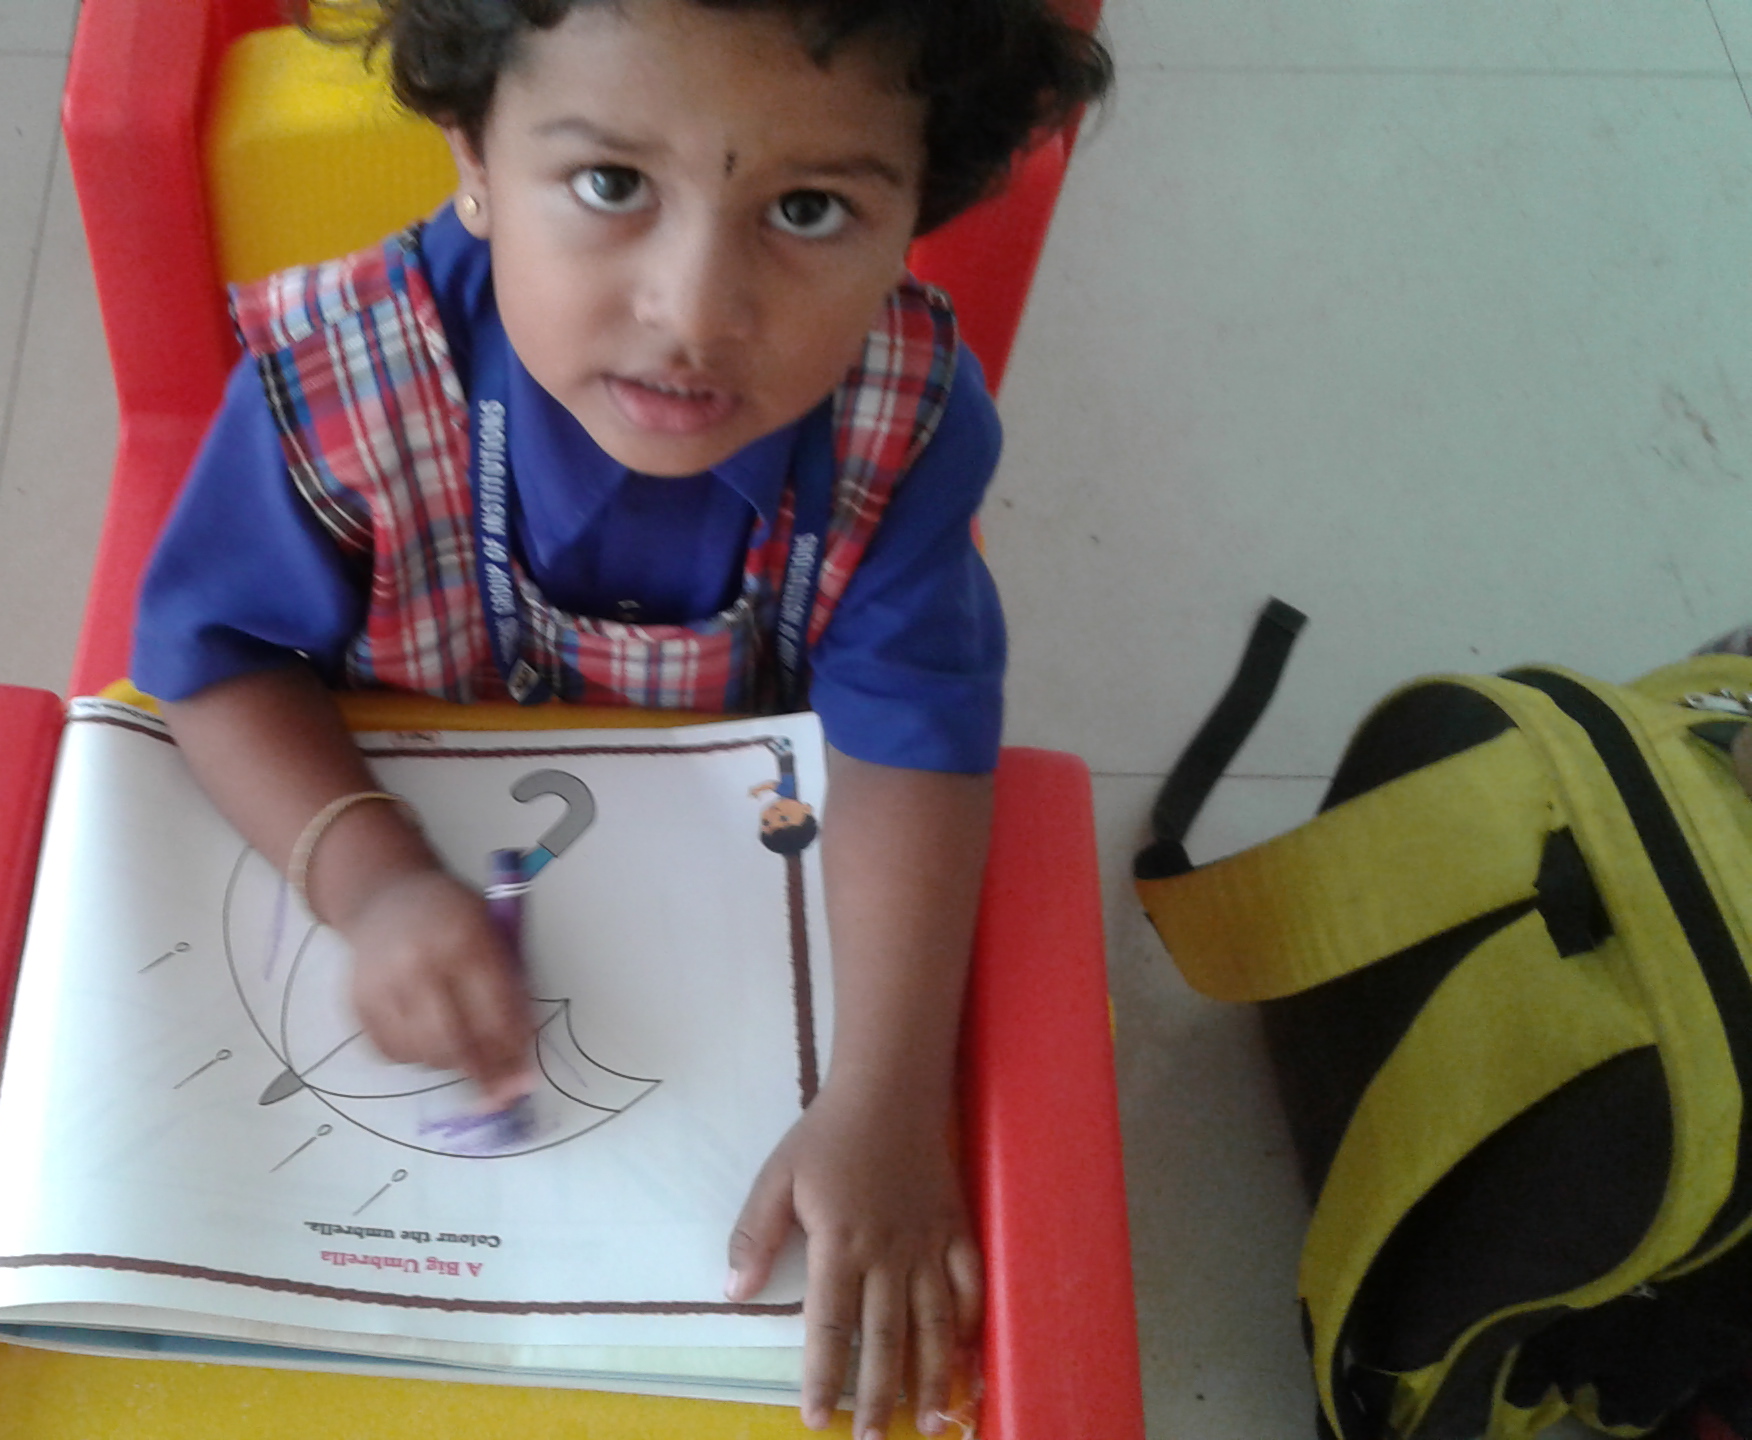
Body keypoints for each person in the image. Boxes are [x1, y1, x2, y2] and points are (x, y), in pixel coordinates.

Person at [130, 0, 1109, 1433]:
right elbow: (215, 662)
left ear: (919, 207)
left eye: (811, 209)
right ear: (473, 153)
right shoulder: (339, 389)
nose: (696, 311)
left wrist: (889, 1101)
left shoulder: (903, 425)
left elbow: (914, 741)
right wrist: (376, 884)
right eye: (609, 183)